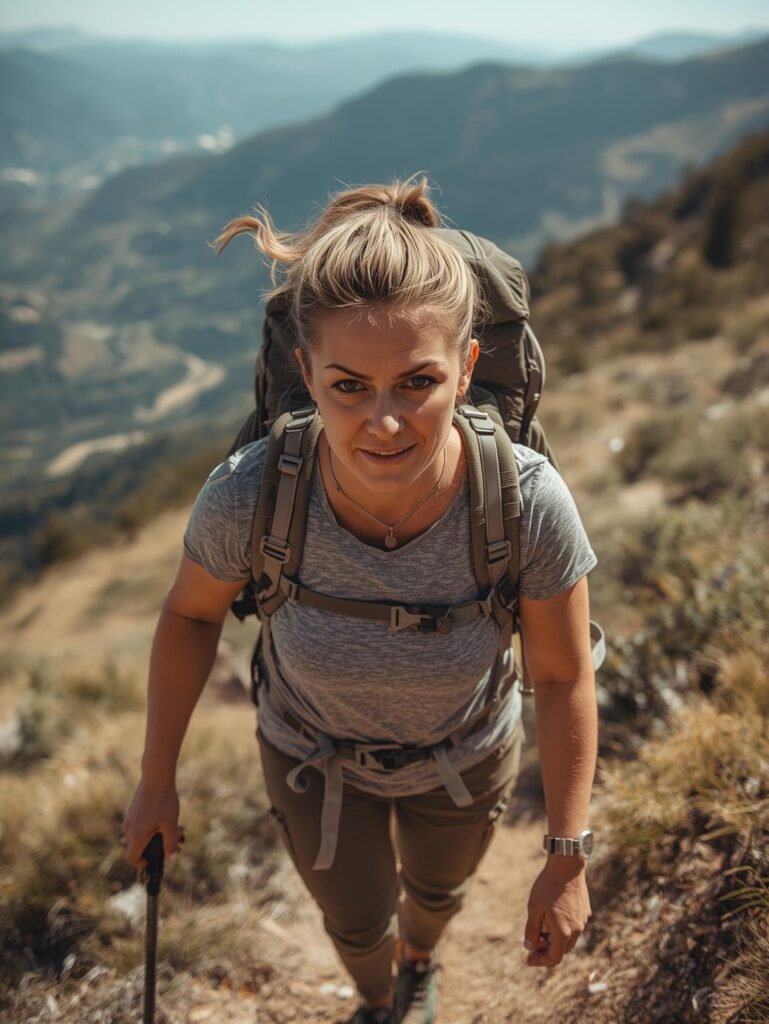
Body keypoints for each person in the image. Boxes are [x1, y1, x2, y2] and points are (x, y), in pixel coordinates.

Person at [122, 175, 598, 1024]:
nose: (383, 422)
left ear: (467, 367)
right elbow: (190, 614)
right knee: (350, 918)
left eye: (416, 382)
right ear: (304, 373)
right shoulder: (250, 496)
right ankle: (380, 997)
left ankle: (419, 963)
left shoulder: (525, 502)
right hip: (311, 757)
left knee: (437, 894)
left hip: (465, 753)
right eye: (348, 386)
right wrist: (155, 781)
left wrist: (565, 856)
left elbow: (562, 678)